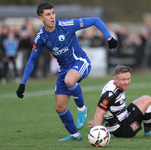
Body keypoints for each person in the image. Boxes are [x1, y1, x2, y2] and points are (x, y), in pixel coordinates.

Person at [16, 2, 118, 142]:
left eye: (53, 13)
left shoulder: (66, 25)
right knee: (60, 107)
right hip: (64, 69)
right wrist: (23, 83)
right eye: (48, 14)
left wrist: (109, 38)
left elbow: (96, 20)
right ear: (41, 19)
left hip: (80, 61)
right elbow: (32, 60)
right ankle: (75, 136)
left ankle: (82, 109)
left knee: (69, 80)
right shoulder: (41, 38)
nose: (52, 16)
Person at [88, 65, 151, 139]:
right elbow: (98, 114)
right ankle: (149, 132)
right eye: (123, 79)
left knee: (142, 100)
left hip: (122, 119)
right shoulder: (110, 94)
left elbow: (109, 110)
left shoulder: (114, 85)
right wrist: (97, 134)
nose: (127, 82)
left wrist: (100, 120)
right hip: (122, 130)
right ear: (115, 79)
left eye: (128, 78)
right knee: (147, 100)